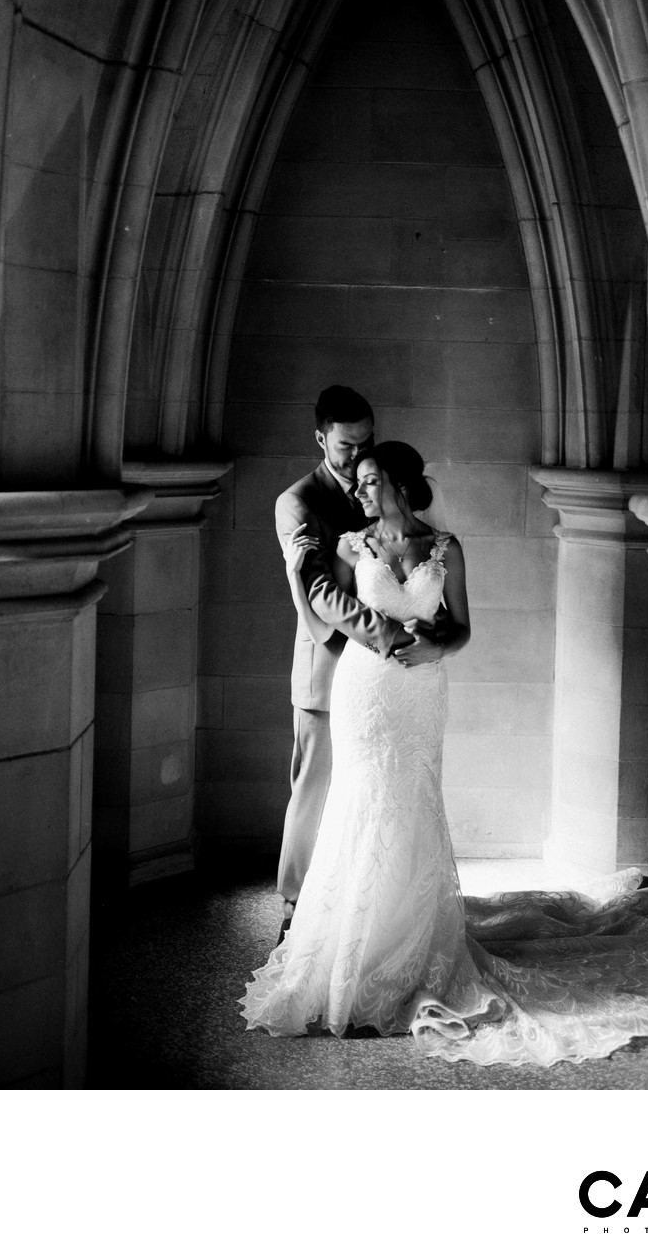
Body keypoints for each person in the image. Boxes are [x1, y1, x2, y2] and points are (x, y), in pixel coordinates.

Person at [242, 441, 648, 1069]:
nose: (359, 492)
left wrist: (437, 648)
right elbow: (321, 619)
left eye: (369, 481)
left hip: (420, 693)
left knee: (410, 802)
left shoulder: (445, 549)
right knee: (360, 801)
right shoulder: (350, 546)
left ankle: (411, 946)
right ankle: (347, 951)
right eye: (357, 482)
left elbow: (463, 626)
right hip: (364, 689)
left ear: (397, 483)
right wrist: (327, 596)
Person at [273, 387, 412, 933]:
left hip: (376, 677)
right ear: (320, 439)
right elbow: (319, 594)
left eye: (365, 443)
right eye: (345, 446)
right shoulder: (298, 502)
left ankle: (357, 909)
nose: (358, 456)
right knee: (313, 789)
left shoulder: (378, 484)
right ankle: (293, 908)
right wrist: (387, 633)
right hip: (328, 668)